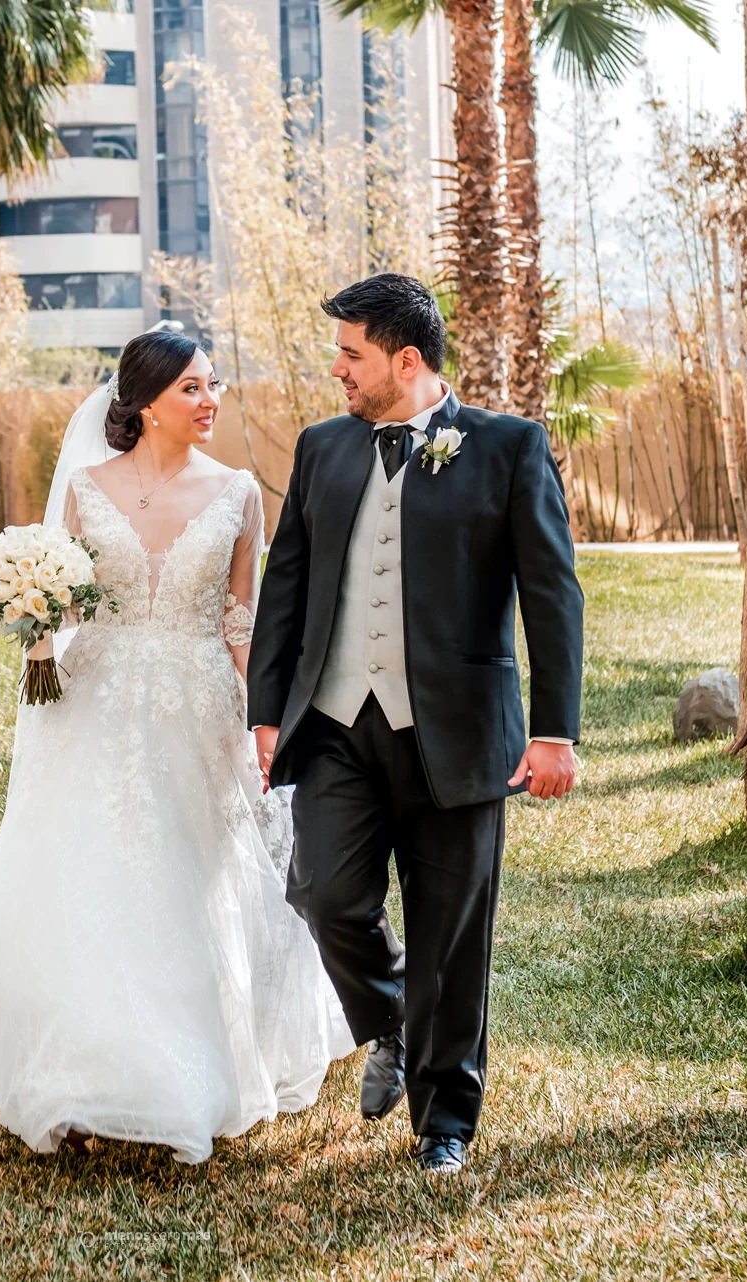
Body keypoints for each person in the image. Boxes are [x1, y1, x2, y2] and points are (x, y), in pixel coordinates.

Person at [0, 329, 354, 1163]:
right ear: (144, 403)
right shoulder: (84, 486)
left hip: (197, 708)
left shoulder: (241, 492)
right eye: (192, 389)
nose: (211, 401)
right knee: (91, 872)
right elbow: (67, 605)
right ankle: (81, 1068)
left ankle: (185, 1067)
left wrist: (266, 721)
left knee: (189, 876)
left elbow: (239, 622)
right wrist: (31, 619)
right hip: (93, 708)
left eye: (213, 386)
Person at [248, 273, 585, 1174]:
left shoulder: (510, 448)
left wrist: (555, 731)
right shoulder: (322, 448)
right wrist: (267, 711)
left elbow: (552, 596)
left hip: (460, 731)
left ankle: (444, 1123)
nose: (337, 371)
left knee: (452, 932)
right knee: (322, 892)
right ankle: (390, 1021)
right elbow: (287, 585)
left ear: (407, 360)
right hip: (333, 723)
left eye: (350, 354)